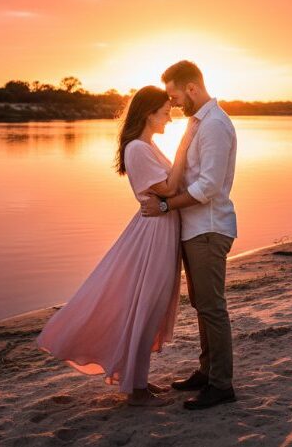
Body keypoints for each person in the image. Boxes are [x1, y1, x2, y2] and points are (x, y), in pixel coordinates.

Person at [36, 85, 198, 407]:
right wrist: (183, 150)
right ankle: (134, 387)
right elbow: (166, 188)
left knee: (150, 308)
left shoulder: (148, 146)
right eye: (165, 112)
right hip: (152, 235)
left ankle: (136, 381)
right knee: (144, 305)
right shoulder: (137, 148)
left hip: (162, 230)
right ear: (149, 114)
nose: (169, 118)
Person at [141, 60, 238, 410]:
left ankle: (221, 385)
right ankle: (206, 371)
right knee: (202, 305)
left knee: (212, 308)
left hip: (210, 228)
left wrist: (166, 207)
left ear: (192, 88)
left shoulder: (214, 125)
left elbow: (209, 186)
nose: (174, 103)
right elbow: (185, 174)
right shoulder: (198, 123)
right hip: (196, 228)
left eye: (175, 94)